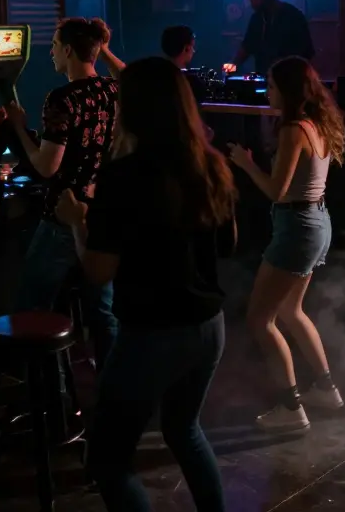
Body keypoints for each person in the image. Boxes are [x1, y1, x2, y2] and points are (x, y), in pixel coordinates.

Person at [56, 56, 235, 511]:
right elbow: (228, 243)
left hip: (153, 334)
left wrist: (77, 222)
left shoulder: (124, 175)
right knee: (184, 430)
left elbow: (98, 273)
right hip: (209, 326)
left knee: (109, 460)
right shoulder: (210, 165)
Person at [227, 56, 345, 432]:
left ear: (289, 90)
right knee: (292, 312)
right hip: (315, 222)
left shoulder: (293, 129)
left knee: (260, 319)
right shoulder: (318, 124)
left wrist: (246, 165)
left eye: (272, 85)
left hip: (296, 226)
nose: (267, 90)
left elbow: (277, 192)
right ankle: (326, 390)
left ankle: (291, 408)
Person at [8, 17, 125, 365]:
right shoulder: (110, 89)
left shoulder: (62, 98)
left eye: (55, 46)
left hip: (63, 215)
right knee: (102, 310)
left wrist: (18, 128)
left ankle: (48, 395)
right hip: (98, 212)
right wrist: (102, 49)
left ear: (69, 50)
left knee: (32, 308)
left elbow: (47, 167)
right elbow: (126, 75)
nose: (51, 52)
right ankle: (112, 383)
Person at [224, 0, 315, 75]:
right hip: (266, 81)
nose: (250, 1)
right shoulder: (257, 18)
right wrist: (232, 66)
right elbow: (247, 47)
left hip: (289, 82)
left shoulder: (293, 16)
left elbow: (306, 53)